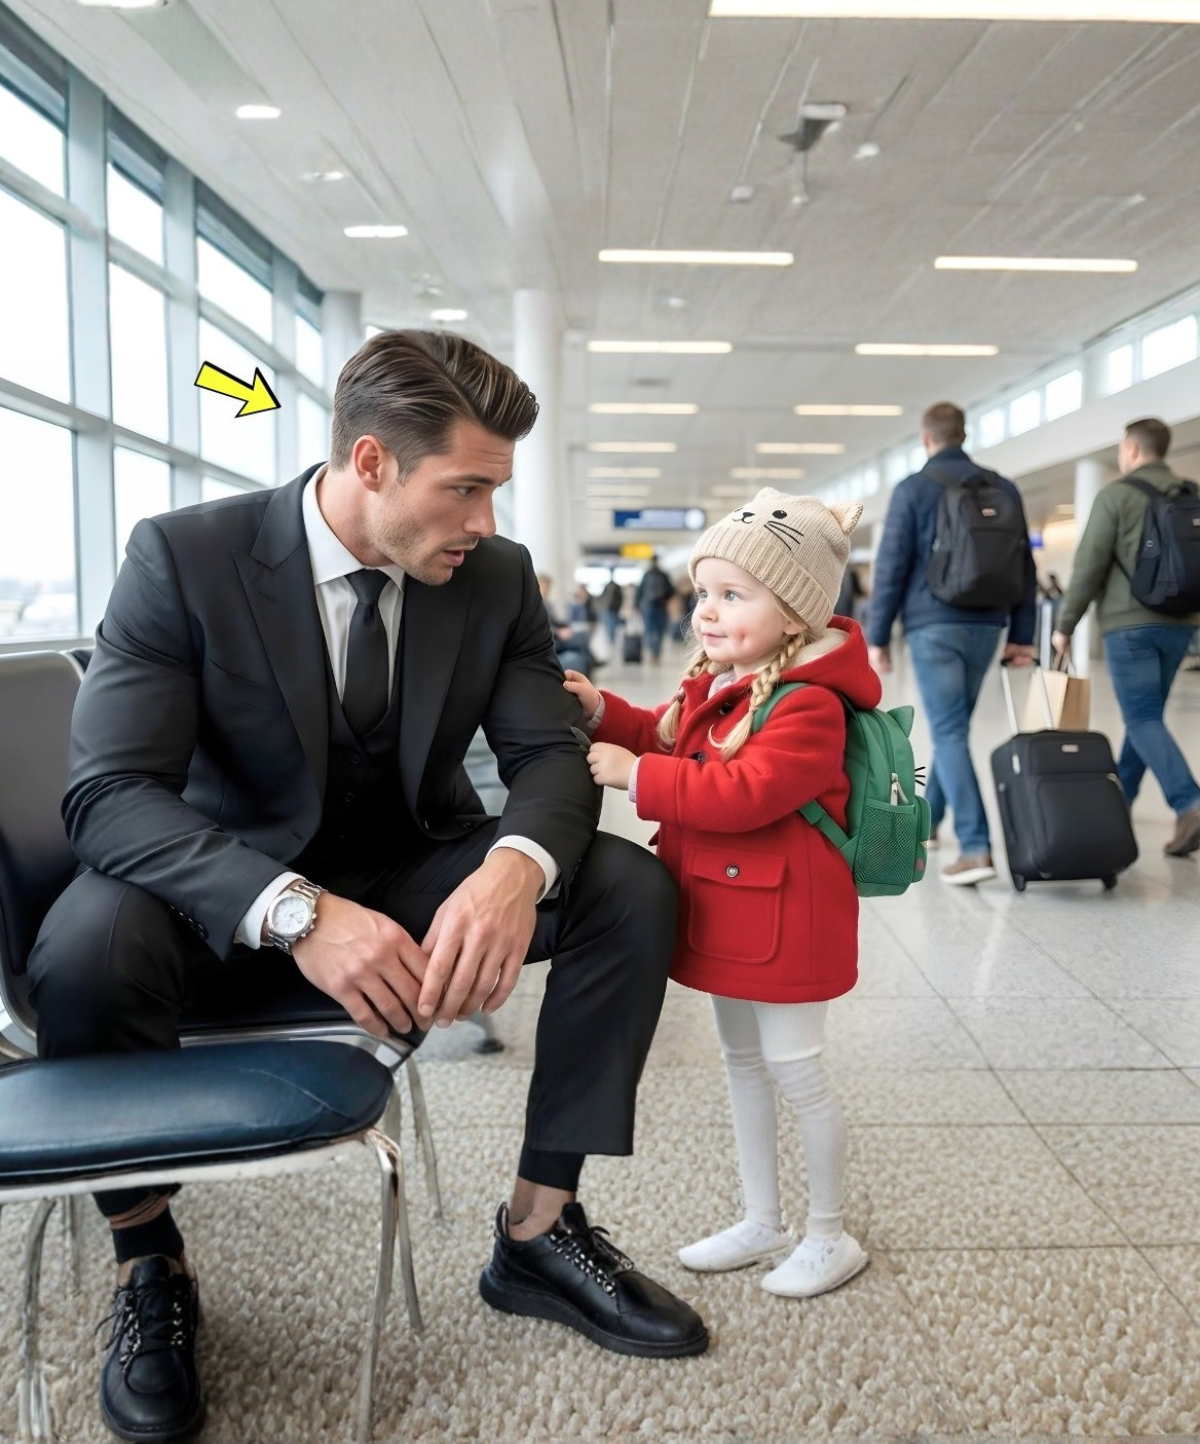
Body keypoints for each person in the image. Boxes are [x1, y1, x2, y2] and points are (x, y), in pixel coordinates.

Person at [28, 330, 707, 1443]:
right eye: (467, 488)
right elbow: (111, 798)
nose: (488, 522)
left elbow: (547, 759)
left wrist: (508, 870)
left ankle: (539, 1231)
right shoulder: (184, 558)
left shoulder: (491, 581)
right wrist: (291, 911)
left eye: (496, 489)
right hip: (218, 890)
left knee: (625, 886)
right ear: (373, 463)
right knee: (86, 940)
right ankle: (148, 1258)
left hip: (403, 864)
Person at [564, 488, 878, 1300]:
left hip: (789, 919)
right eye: (705, 592)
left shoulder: (811, 704)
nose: (706, 611)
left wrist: (640, 779)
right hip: (734, 910)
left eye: (733, 595)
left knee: (795, 1070)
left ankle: (828, 1233)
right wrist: (604, 712)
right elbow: (667, 734)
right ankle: (763, 1217)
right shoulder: (725, 679)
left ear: (797, 613)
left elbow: (746, 790)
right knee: (742, 1063)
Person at [867, 401, 1036, 885]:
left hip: (933, 624)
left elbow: (891, 568)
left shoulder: (914, 488)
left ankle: (977, 846)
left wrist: (878, 636)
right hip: (988, 625)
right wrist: (1022, 635)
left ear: (926, 438)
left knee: (947, 731)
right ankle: (930, 821)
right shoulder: (1003, 487)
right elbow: (1023, 566)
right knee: (953, 726)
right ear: (964, 434)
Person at [1052, 417, 1200, 857]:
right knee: (1147, 715)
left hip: (1129, 625)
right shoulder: (1190, 493)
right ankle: (1118, 804)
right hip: (1182, 623)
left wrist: (1065, 623)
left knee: (1141, 717)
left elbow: (1090, 564)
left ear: (1133, 450)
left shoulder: (1116, 495)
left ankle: (1189, 801)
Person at [637, 555, 675, 664]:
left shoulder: (647, 575)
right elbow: (671, 590)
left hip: (648, 606)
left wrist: (638, 604)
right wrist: (665, 599)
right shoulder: (663, 575)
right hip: (660, 605)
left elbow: (640, 591)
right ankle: (656, 652)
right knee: (659, 630)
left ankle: (654, 652)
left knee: (650, 630)